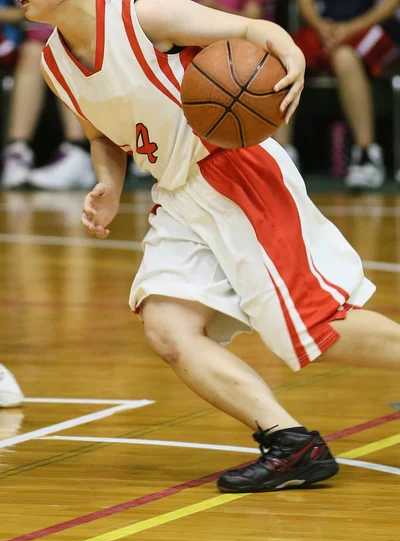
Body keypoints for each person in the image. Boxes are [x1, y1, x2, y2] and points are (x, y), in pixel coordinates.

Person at [23, 0, 400, 494]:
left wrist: (291, 57)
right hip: (176, 191)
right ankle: (291, 445)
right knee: (168, 327)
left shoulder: (141, 16)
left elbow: (254, 28)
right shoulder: (54, 62)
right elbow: (104, 138)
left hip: (233, 169)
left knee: (317, 328)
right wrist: (109, 185)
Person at [275, 0, 400, 188]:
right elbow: (304, 3)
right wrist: (321, 27)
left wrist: (349, 29)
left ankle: (366, 156)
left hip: (374, 29)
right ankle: (281, 157)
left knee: (344, 58)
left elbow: (390, 5)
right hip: (325, 30)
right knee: (285, 58)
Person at [1, 6, 95, 190]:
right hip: (22, 35)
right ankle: (17, 153)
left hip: (65, 29)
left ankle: (78, 153)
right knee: (36, 49)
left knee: (59, 44)